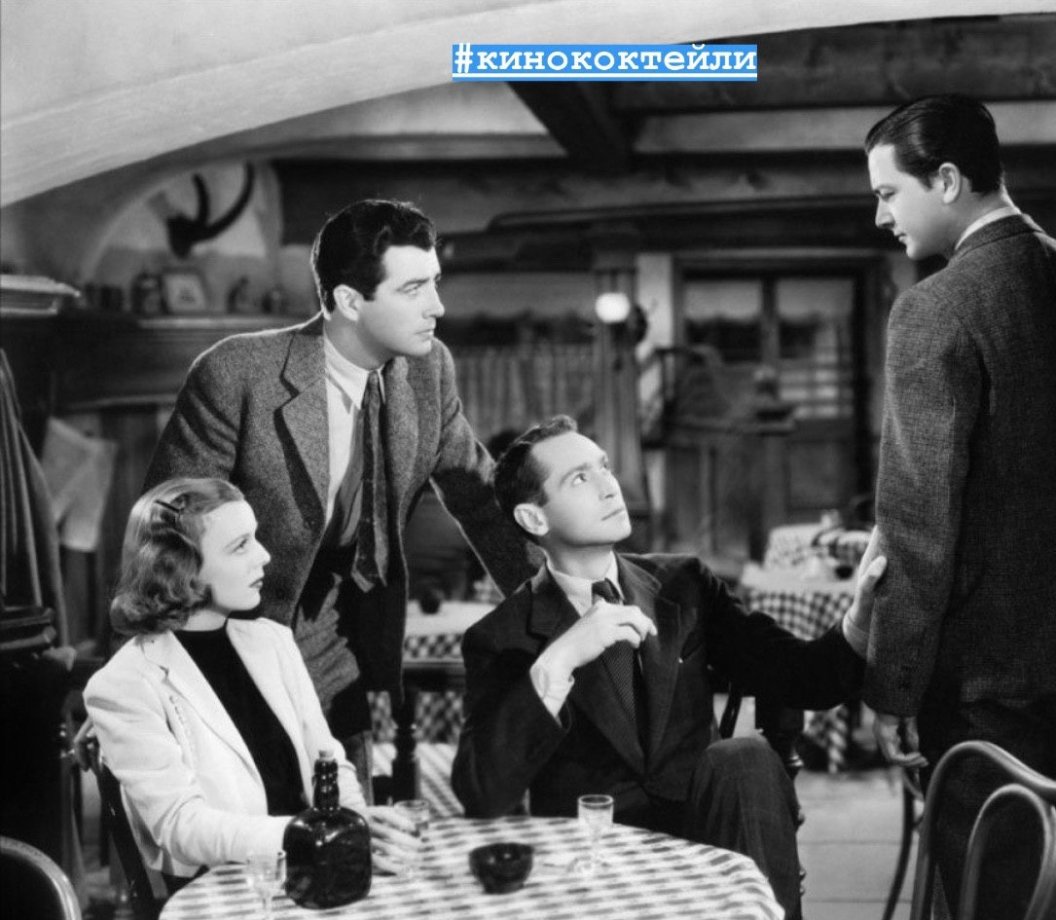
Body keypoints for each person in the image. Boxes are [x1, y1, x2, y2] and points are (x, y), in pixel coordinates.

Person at [862, 95, 1056, 920]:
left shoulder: (934, 309)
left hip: (988, 675)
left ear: (948, 179)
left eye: (888, 192)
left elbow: (918, 527)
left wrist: (894, 686)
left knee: (997, 891)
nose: (881, 216)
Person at [141, 199, 539, 793]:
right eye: (414, 288)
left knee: (348, 814)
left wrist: (560, 608)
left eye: (435, 282)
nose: (437, 306)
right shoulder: (236, 374)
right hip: (230, 635)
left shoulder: (428, 371)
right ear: (350, 300)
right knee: (252, 821)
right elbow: (165, 532)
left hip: (340, 637)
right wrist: (145, 681)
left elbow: (481, 498)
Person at [450, 416, 887, 920]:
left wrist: (860, 620)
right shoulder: (502, 636)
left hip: (708, 842)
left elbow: (800, 674)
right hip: (596, 869)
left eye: (604, 467)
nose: (609, 486)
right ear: (534, 519)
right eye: (580, 478)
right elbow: (482, 794)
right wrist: (560, 659)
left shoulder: (685, 584)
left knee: (744, 757)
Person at [83, 479, 415, 887]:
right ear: (180, 568)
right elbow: (181, 825)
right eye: (240, 545)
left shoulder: (272, 641)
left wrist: (355, 822)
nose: (264, 555)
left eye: (255, 537)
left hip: (312, 870)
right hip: (225, 888)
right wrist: (308, 835)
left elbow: (327, 762)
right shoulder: (124, 684)